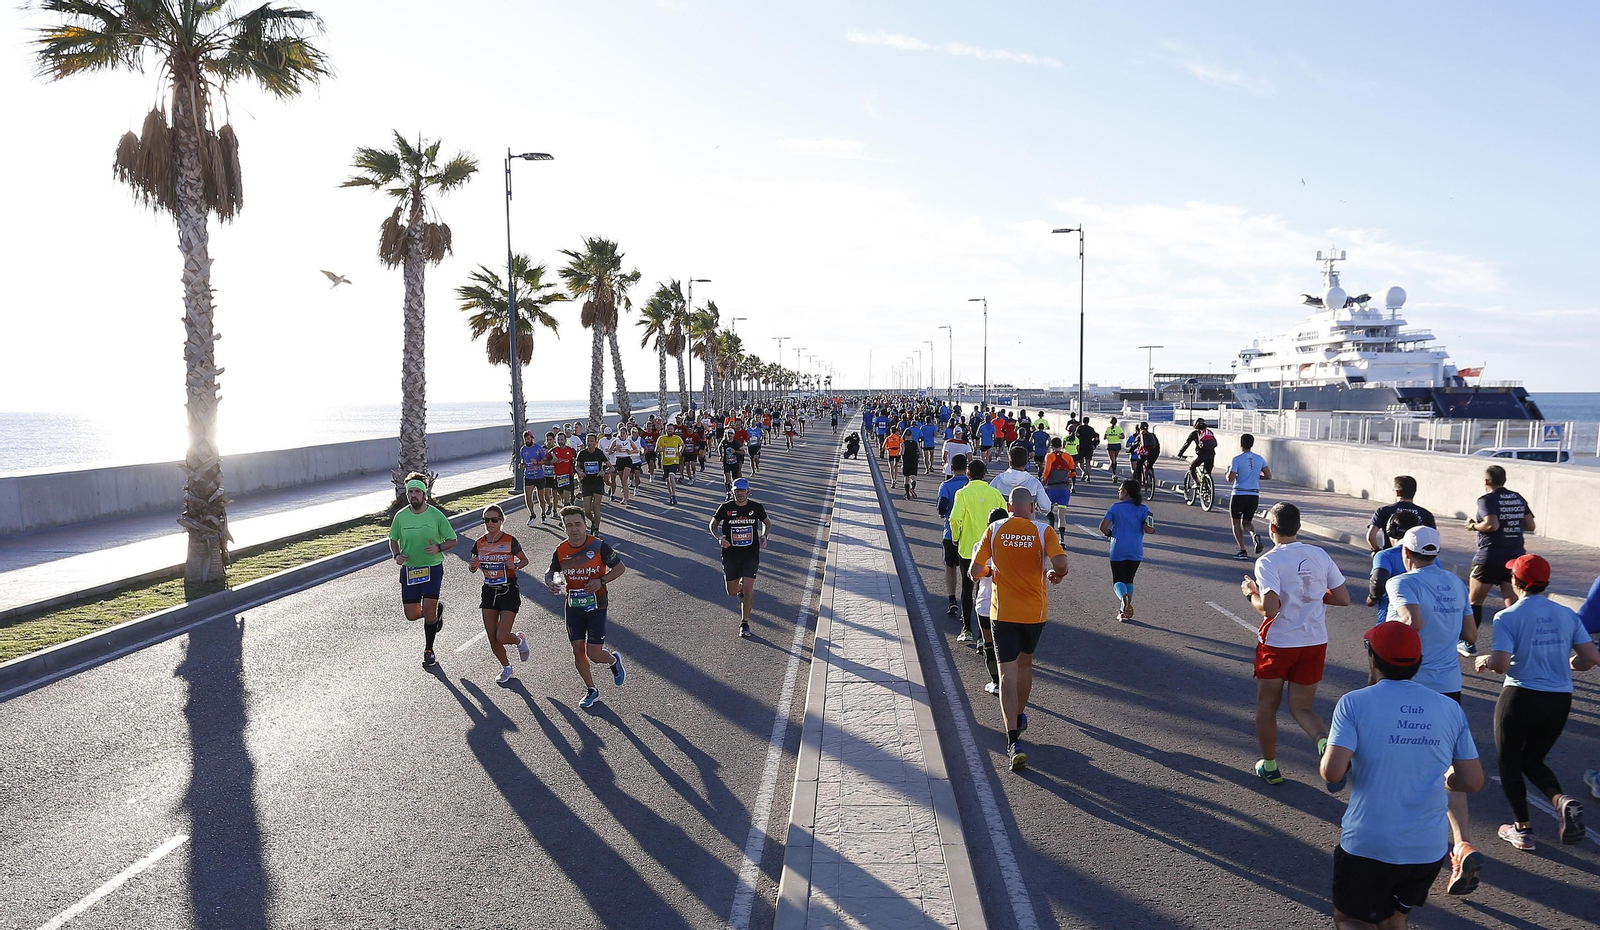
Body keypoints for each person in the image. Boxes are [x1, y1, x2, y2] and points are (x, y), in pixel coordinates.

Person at [1320, 621, 1483, 930]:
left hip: (1368, 844)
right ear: (1418, 662)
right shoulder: (1449, 708)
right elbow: (1473, 781)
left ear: (1373, 659)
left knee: (1350, 919)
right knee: (1395, 921)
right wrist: (1447, 781)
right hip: (1426, 849)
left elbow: (1333, 772)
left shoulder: (1354, 703)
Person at [1473, 554, 1600, 850]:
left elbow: (1502, 664)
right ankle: (1561, 800)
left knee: (1509, 762)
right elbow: (1591, 657)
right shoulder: (1567, 615)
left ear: (1516, 582)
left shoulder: (1508, 617)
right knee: (1532, 759)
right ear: (1546, 583)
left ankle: (1523, 830)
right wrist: (1571, 663)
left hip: (1520, 695)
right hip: (1559, 700)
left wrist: (1485, 660)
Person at [1384, 526, 1483, 895]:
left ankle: (1403, 849)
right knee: (1450, 766)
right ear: (1435, 554)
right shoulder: (1456, 584)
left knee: (1400, 761)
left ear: (1407, 553)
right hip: (1449, 687)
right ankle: (1462, 845)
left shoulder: (1402, 583)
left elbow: (1413, 622)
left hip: (1411, 683)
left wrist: (1388, 633)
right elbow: (1471, 636)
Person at [1240, 502, 1350, 785]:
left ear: (1272, 528)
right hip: (1314, 642)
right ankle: (1325, 744)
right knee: (1302, 707)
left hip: (1279, 643)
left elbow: (1271, 609)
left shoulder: (1268, 561)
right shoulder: (1319, 554)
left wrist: (1250, 594)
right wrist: (1312, 594)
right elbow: (1342, 597)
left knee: (1267, 705)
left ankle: (1271, 766)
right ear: (1298, 527)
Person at [971, 487, 1069, 773]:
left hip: (1003, 614)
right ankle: (1020, 714)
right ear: (1032, 507)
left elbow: (976, 570)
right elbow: (1061, 564)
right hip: (1034, 613)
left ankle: (1013, 740)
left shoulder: (996, 528)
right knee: (1025, 666)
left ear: (1009, 505)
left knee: (1006, 674)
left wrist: (992, 573)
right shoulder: (1043, 531)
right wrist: (1055, 574)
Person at [545, 506, 627, 709]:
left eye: (578, 524)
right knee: (577, 651)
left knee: (594, 653)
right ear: (564, 528)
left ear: (585, 525)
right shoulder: (561, 550)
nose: (574, 529)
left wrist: (601, 581)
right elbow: (552, 572)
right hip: (574, 605)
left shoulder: (599, 546)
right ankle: (592, 690)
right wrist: (552, 582)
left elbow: (619, 568)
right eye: (569, 525)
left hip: (597, 605)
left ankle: (613, 661)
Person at [1461, 465, 1536, 656]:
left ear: (1487, 481)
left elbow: (1491, 524)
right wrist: (1512, 525)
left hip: (1490, 556)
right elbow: (1530, 525)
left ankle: (1468, 643)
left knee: (1475, 601)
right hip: (1515, 556)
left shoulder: (1486, 500)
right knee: (1512, 601)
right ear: (1504, 479)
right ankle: (1518, 644)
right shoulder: (1517, 497)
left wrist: (1472, 526)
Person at [388, 476, 458, 669]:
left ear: (424, 494)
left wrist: (438, 547)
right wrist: (396, 555)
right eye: (410, 492)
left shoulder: (436, 516)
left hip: (432, 568)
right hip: (410, 570)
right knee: (411, 615)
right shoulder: (401, 516)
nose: (413, 495)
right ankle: (434, 615)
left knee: (428, 610)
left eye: (417, 491)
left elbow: (453, 540)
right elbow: (393, 539)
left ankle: (429, 650)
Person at [948, 460, 1008, 647]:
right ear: (985, 474)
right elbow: (1005, 518)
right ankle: (985, 635)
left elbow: (954, 518)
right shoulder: (995, 493)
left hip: (967, 547)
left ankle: (967, 629)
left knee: (967, 588)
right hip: (991, 548)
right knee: (987, 590)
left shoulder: (963, 493)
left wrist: (956, 537)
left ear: (967, 474)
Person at [469, 505, 531, 684]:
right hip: (489, 591)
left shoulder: (510, 540)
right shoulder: (479, 542)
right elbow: (473, 568)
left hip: (508, 590)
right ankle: (507, 668)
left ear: (501, 521)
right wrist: (473, 565)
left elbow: (524, 560)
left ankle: (519, 641)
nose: (490, 523)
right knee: (492, 637)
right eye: (486, 520)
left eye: (494, 520)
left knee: (502, 636)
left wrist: (516, 565)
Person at [710, 478, 771, 639]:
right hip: (731, 555)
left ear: (748, 491)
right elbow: (713, 525)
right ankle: (740, 589)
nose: (740, 494)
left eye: (743, 490)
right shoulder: (725, 508)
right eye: (737, 491)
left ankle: (744, 623)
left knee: (748, 589)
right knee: (731, 592)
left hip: (751, 554)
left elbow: (766, 522)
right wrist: (719, 538)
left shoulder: (756, 507)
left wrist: (764, 536)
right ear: (732, 492)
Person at [1099, 479, 1154, 623]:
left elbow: (1103, 527)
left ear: (1126, 492)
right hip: (1136, 549)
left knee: (1118, 580)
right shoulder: (1144, 509)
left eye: (1120, 490)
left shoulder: (1115, 508)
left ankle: (1123, 598)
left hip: (1118, 548)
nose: (1119, 492)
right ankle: (1124, 610)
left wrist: (1109, 534)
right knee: (1129, 579)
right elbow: (1150, 529)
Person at [1366, 511, 1425, 632]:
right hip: (1424, 620)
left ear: (1390, 532)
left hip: (1392, 618)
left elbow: (1378, 580)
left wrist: (1372, 598)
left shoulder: (1386, 555)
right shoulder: (1432, 560)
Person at [1225, 433, 1271, 560]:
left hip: (1239, 494)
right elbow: (1269, 476)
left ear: (1241, 444)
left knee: (1236, 523)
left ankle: (1242, 550)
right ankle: (1254, 534)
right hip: (1253, 495)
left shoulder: (1237, 459)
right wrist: (1257, 476)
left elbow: (1230, 478)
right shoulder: (1260, 458)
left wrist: (1227, 472)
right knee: (1247, 522)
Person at [937, 453, 971, 619]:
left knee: (950, 566)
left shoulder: (945, 485)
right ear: (966, 468)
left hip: (950, 533)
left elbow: (942, 507)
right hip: (971, 535)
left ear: (951, 468)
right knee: (971, 569)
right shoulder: (971, 484)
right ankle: (972, 600)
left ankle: (952, 600)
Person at [1366, 475, 1437, 552]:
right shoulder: (1426, 514)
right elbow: (1434, 539)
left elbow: (1371, 536)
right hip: (1415, 558)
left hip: (1391, 555)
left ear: (1397, 492)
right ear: (1414, 492)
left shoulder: (1384, 510)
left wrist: (1376, 550)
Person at [990, 446, 1050, 527]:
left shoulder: (998, 480)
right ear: (1026, 463)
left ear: (1010, 462)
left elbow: (989, 500)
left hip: (1003, 527)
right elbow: (1046, 507)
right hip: (1026, 528)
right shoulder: (1034, 482)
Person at [1040, 438, 1077, 542]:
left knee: (1049, 511)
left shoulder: (1049, 456)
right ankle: (1062, 539)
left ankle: (1051, 536)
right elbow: (1073, 472)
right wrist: (1067, 477)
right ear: (1061, 445)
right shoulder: (1068, 456)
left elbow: (1047, 470)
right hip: (1064, 489)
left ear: (1051, 445)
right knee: (1062, 515)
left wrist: (1044, 480)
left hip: (1052, 488)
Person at [575, 432, 609, 534]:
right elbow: (576, 466)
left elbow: (610, 467)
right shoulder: (582, 453)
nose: (589, 443)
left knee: (596, 506)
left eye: (591, 441)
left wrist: (604, 471)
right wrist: (580, 472)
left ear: (596, 442)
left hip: (597, 482)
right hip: (586, 483)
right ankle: (594, 521)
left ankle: (596, 529)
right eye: (588, 441)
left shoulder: (599, 453)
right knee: (587, 511)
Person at [519, 430, 549, 525]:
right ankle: (532, 515)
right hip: (528, 476)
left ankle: (543, 514)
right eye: (525, 439)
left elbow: (545, 461)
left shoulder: (538, 448)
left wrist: (537, 463)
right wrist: (522, 465)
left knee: (541, 497)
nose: (527, 441)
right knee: (528, 497)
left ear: (532, 438)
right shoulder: (523, 449)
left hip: (539, 475)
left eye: (528, 439)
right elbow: (523, 460)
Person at [1177, 418, 1218, 488]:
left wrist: (1180, 453)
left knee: (1192, 467)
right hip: (1211, 455)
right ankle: (1208, 489)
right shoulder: (1209, 432)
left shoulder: (1194, 434)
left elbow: (1186, 444)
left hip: (1201, 455)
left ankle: (1196, 483)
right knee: (1207, 472)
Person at [656, 424, 685, 505]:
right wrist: (662, 449)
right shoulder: (661, 438)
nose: (670, 430)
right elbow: (656, 449)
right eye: (668, 429)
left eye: (671, 429)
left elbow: (682, 445)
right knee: (667, 481)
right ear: (665, 430)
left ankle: (674, 495)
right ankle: (670, 495)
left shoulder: (677, 438)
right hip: (665, 462)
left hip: (674, 461)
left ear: (674, 430)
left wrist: (680, 451)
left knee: (672, 477)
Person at [1128, 422, 1160, 489]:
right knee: (1150, 465)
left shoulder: (1140, 436)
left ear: (1140, 428)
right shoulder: (1153, 435)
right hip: (1154, 454)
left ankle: (1139, 482)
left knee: (1139, 465)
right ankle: (1151, 478)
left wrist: (1130, 450)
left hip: (1145, 454)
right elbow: (1158, 445)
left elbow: (1134, 445)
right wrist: (1156, 453)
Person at [551, 431, 577, 507]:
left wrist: (575, 461)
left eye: (562, 440)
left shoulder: (571, 450)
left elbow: (578, 460)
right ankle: (570, 499)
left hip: (569, 475)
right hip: (558, 477)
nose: (560, 442)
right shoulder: (553, 451)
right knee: (562, 498)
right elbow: (544, 461)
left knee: (566, 502)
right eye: (558, 440)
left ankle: (568, 516)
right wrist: (552, 461)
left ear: (565, 440)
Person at [720, 427, 747, 493]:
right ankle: (728, 492)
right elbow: (719, 447)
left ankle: (734, 491)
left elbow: (743, 452)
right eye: (728, 433)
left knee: (735, 479)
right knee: (727, 477)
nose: (730, 435)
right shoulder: (724, 442)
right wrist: (721, 455)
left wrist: (735, 451)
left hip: (735, 463)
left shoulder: (736, 442)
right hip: (726, 462)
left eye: (731, 433)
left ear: (734, 435)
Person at [1074, 417, 1098, 482]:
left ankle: (1083, 471)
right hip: (1089, 446)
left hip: (1081, 446)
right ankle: (1089, 476)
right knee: (1088, 462)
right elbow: (1095, 437)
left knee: (1080, 461)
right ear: (1088, 421)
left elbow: (1076, 435)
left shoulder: (1079, 428)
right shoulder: (1091, 429)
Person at [901, 432, 922, 500]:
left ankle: (907, 494)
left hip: (906, 462)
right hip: (914, 461)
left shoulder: (903, 443)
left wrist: (899, 453)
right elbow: (920, 452)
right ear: (911, 435)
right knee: (913, 478)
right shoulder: (915, 443)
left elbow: (902, 452)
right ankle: (912, 488)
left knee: (906, 478)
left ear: (905, 436)